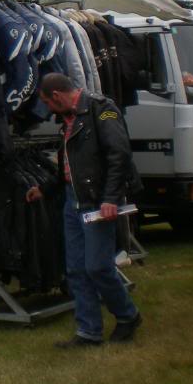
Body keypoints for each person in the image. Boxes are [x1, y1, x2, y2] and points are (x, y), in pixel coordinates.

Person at [27, 72, 143, 347]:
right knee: (77, 269)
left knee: (98, 267)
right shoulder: (68, 120)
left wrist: (111, 198)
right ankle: (88, 332)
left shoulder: (101, 110)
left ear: (56, 96)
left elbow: (119, 154)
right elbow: (69, 164)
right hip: (73, 199)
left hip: (96, 201)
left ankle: (127, 315)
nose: (48, 110)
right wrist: (46, 188)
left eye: (47, 103)